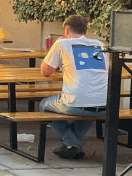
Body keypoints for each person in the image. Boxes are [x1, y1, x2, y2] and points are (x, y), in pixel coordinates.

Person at [39, 14, 108, 160]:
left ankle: (71, 144)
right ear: (85, 30)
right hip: (104, 103)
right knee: (89, 105)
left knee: (44, 104)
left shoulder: (62, 43)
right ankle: (73, 145)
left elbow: (45, 72)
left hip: (75, 102)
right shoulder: (100, 45)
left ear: (67, 30)